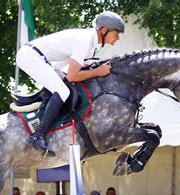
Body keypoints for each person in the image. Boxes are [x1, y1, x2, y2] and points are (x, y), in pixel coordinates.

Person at [16, 11, 124, 156]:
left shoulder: (91, 46)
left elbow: (65, 70)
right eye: (116, 33)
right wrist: (98, 72)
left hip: (42, 60)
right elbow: (73, 76)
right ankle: (38, 135)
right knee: (63, 92)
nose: (118, 38)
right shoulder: (85, 40)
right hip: (30, 57)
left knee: (65, 89)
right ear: (104, 30)